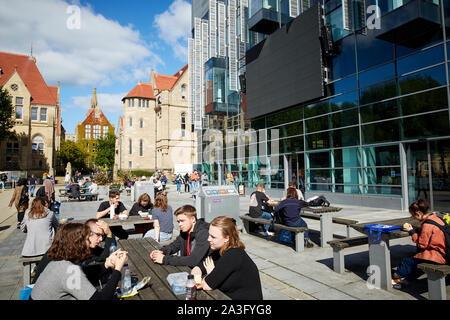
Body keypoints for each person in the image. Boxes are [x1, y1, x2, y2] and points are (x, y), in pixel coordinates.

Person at [30, 223, 128, 300]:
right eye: (87, 240)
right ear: (77, 244)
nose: (89, 243)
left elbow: (84, 273)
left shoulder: (58, 262)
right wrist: (117, 270)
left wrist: (106, 264)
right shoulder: (66, 269)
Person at [191, 215, 263, 300]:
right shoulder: (219, 250)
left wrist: (211, 274)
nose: (208, 239)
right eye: (209, 235)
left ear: (227, 238)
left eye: (213, 237)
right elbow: (198, 268)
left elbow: (207, 285)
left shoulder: (233, 254)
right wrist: (200, 278)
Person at [33, 218, 116, 284]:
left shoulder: (84, 246)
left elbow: (104, 256)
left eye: (102, 235)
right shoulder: (67, 252)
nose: (101, 239)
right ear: (87, 233)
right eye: (98, 235)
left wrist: (109, 234)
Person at [392, 199, 447, 287]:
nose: (413, 218)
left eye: (413, 216)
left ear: (419, 213)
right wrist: (417, 229)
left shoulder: (427, 225)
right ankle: (406, 281)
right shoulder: (436, 218)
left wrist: (412, 232)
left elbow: (422, 244)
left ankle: (395, 276)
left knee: (407, 262)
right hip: (445, 253)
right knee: (419, 266)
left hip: (437, 256)